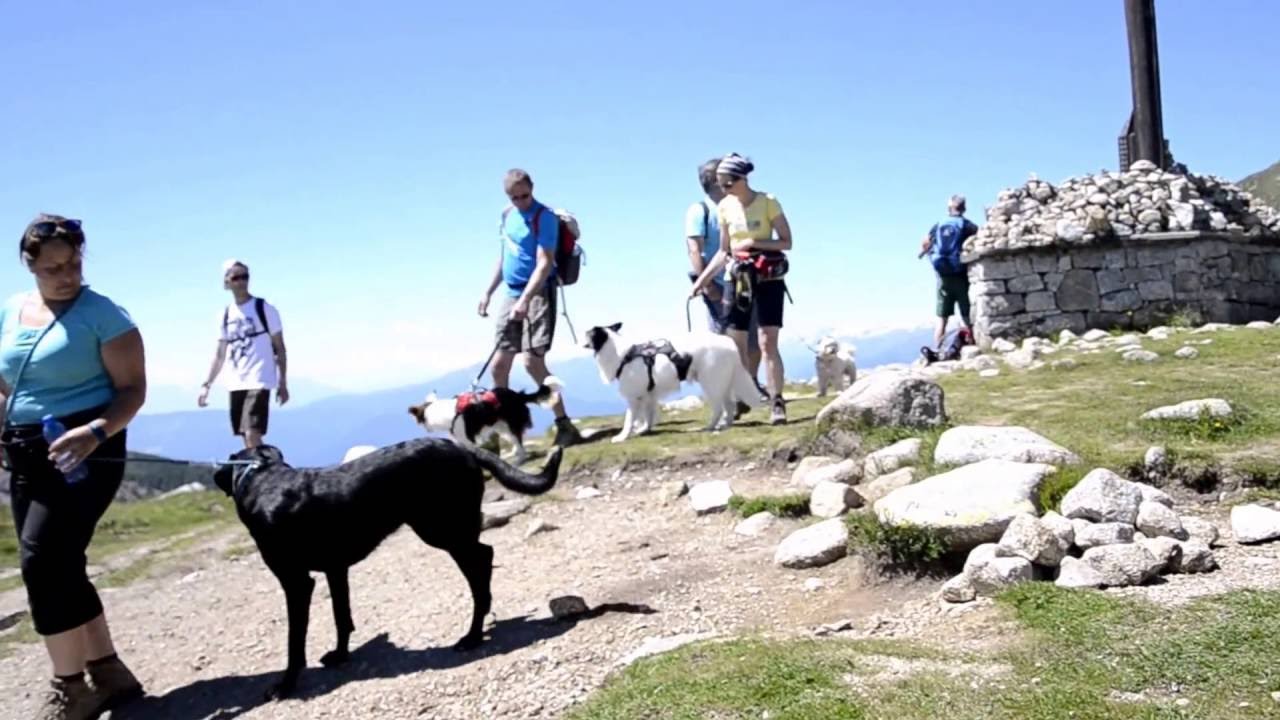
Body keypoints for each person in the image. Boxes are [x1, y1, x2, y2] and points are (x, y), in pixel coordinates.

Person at [0, 214, 147, 719]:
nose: (67, 276)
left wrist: (94, 432)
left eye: (74, 263)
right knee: (60, 562)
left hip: (86, 450)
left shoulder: (104, 315)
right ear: (29, 265)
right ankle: (108, 671)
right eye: (53, 268)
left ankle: (69, 689)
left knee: (41, 564)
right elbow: (7, 382)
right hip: (25, 452)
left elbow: (132, 391)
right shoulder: (11, 312)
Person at [477, 168, 584, 447]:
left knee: (532, 362)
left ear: (532, 189)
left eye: (525, 195)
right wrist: (488, 292)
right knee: (499, 366)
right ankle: (501, 432)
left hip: (538, 293)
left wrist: (525, 300)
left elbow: (545, 262)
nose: (522, 201)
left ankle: (563, 424)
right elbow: (505, 257)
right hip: (511, 293)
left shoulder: (543, 217)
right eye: (515, 198)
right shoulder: (507, 217)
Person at [690, 153, 794, 425]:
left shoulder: (768, 202)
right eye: (721, 185)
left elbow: (786, 242)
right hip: (737, 279)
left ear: (741, 179)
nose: (723, 190)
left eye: (727, 184)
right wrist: (701, 282)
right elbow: (724, 251)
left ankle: (777, 402)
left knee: (766, 343)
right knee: (735, 345)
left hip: (767, 279)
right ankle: (745, 395)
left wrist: (753, 243)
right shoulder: (725, 207)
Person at [685, 158, 762, 386]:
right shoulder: (700, 211)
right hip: (718, 284)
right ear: (716, 182)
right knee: (724, 342)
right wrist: (707, 285)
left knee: (753, 338)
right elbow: (694, 249)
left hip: (747, 278)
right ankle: (732, 390)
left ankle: (751, 384)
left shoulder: (738, 207)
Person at [197, 259, 288, 449]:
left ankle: (268, 472)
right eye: (236, 277)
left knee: (251, 431)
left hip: (260, 379)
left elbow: (279, 347)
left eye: (245, 276)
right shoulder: (224, 315)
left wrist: (282, 383)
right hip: (236, 382)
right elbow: (219, 354)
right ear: (227, 282)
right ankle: (263, 468)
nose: (241, 282)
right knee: (245, 436)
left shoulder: (265, 309)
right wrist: (207, 385)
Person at [919, 194, 980, 350]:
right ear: (964, 208)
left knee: (942, 318)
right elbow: (979, 240)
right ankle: (973, 346)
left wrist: (931, 255)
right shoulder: (968, 225)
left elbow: (925, 242)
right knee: (966, 315)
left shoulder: (939, 224)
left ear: (949, 207)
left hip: (943, 276)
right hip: (960, 275)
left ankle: (938, 350)